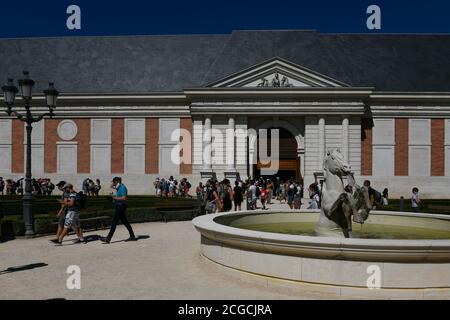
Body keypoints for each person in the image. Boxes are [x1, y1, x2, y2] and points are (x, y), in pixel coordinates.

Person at [101, 177, 136, 243]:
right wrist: (112, 199)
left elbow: (124, 198)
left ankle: (108, 238)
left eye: (114, 182)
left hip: (121, 207)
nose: (113, 183)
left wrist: (114, 197)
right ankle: (132, 236)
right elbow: (113, 188)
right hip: (119, 206)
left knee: (114, 222)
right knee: (125, 222)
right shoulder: (119, 188)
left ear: (117, 181)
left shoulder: (122, 187)